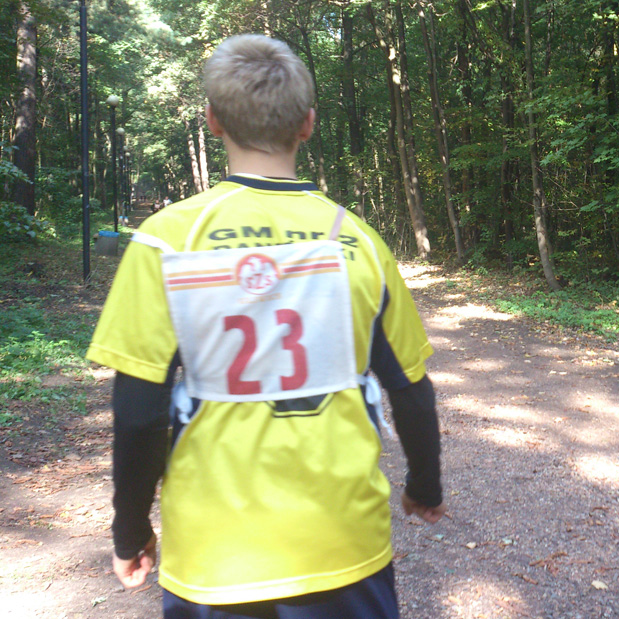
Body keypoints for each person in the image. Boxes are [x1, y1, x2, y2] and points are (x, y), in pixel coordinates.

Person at [85, 34, 444, 618]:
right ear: (308, 124)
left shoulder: (167, 239)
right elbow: (409, 386)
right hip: (344, 541)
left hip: (215, 555)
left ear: (213, 121)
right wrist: (424, 486)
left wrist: (130, 530)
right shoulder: (359, 240)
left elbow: (139, 412)